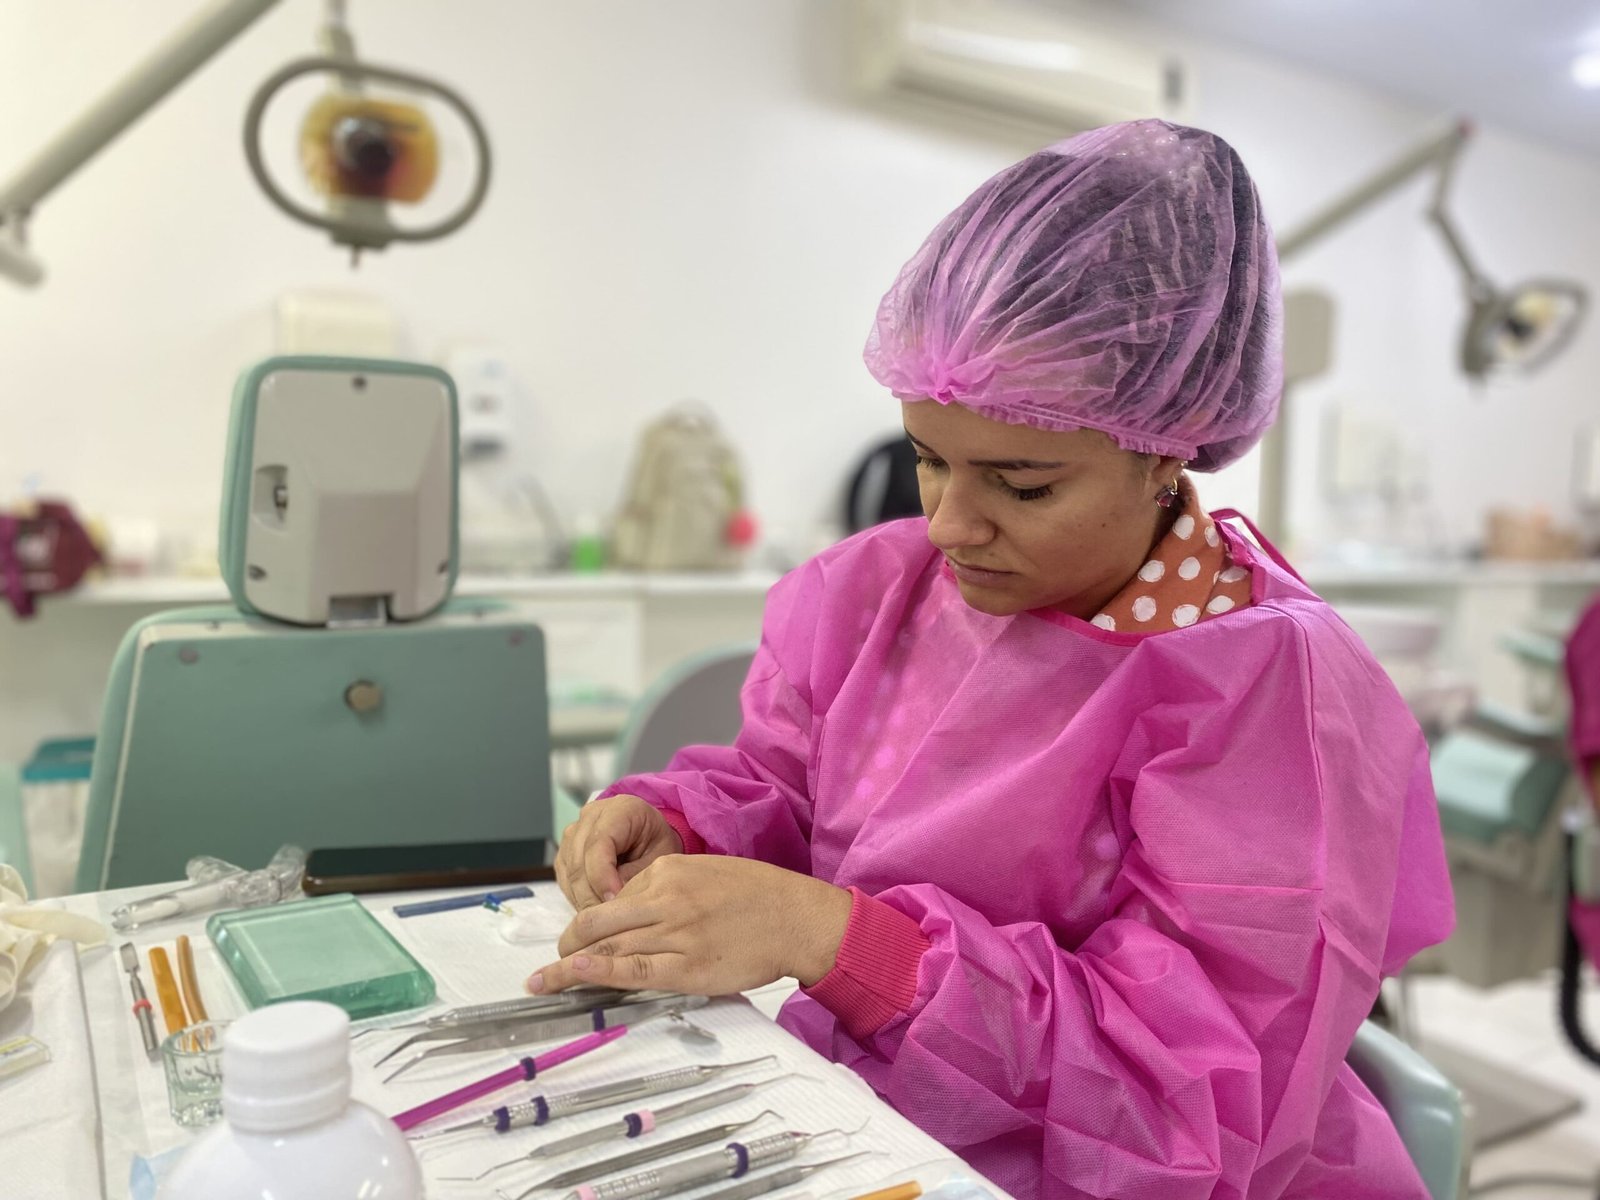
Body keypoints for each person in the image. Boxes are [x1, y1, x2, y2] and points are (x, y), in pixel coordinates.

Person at [532, 120, 1455, 1199]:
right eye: (928, 459)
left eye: (1022, 485)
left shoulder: (1265, 694)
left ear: (1165, 450)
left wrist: (840, 941)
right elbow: (787, 790)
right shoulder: (873, 594)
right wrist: (679, 827)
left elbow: (1182, 1102)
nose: (949, 526)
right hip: (877, 1125)